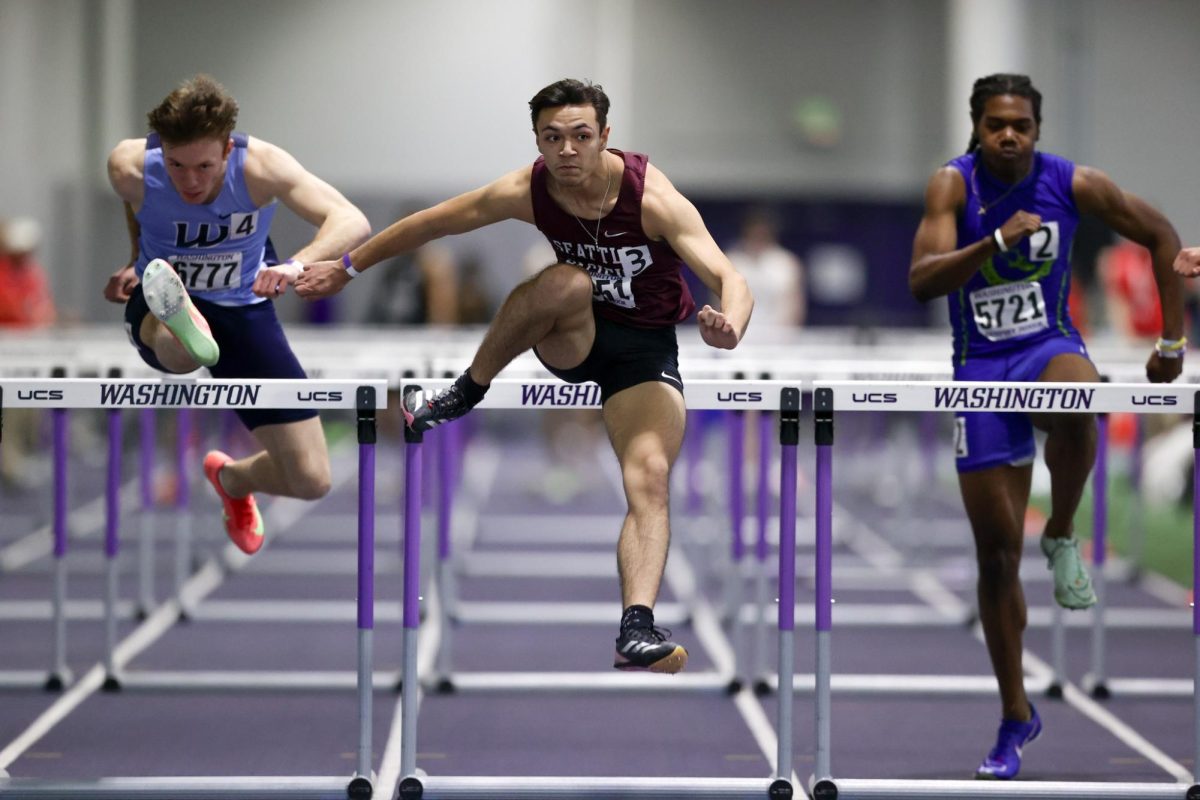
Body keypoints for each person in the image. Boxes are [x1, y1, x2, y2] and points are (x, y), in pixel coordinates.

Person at [296, 78, 753, 674]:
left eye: (580, 137)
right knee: (564, 281)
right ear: (537, 141)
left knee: (651, 476)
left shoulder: (652, 198)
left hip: (643, 351)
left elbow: (730, 277)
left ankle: (635, 627)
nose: (566, 150)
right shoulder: (528, 188)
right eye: (552, 138)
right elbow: (434, 223)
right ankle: (467, 389)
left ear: (604, 138)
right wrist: (347, 267)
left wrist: (732, 325)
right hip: (573, 334)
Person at [910, 73, 1185, 780]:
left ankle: (1062, 529)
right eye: (997, 124)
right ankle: (1014, 715)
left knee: (1079, 393)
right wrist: (993, 242)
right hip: (979, 366)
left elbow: (1160, 235)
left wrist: (1173, 344)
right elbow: (922, 279)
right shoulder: (953, 187)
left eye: (1022, 125)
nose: (1010, 136)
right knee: (997, 558)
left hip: (1046, 348)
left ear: (1037, 128)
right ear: (978, 127)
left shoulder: (1074, 182)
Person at [103, 74, 370, 555]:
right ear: (161, 150)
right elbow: (137, 205)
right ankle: (180, 312)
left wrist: (294, 263)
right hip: (161, 297)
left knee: (311, 479)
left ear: (228, 149)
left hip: (243, 309)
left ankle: (231, 478)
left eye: (204, 166)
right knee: (181, 349)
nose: (190, 181)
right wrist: (134, 258)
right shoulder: (130, 165)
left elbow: (352, 220)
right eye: (178, 166)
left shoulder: (262, 166)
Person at [724, 206, 805, 332]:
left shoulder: (786, 262)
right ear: (746, 231)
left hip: (779, 336)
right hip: (738, 337)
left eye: (762, 232)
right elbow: (719, 303)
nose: (758, 235)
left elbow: (795, 307)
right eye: (754, 231)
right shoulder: (731, 260)